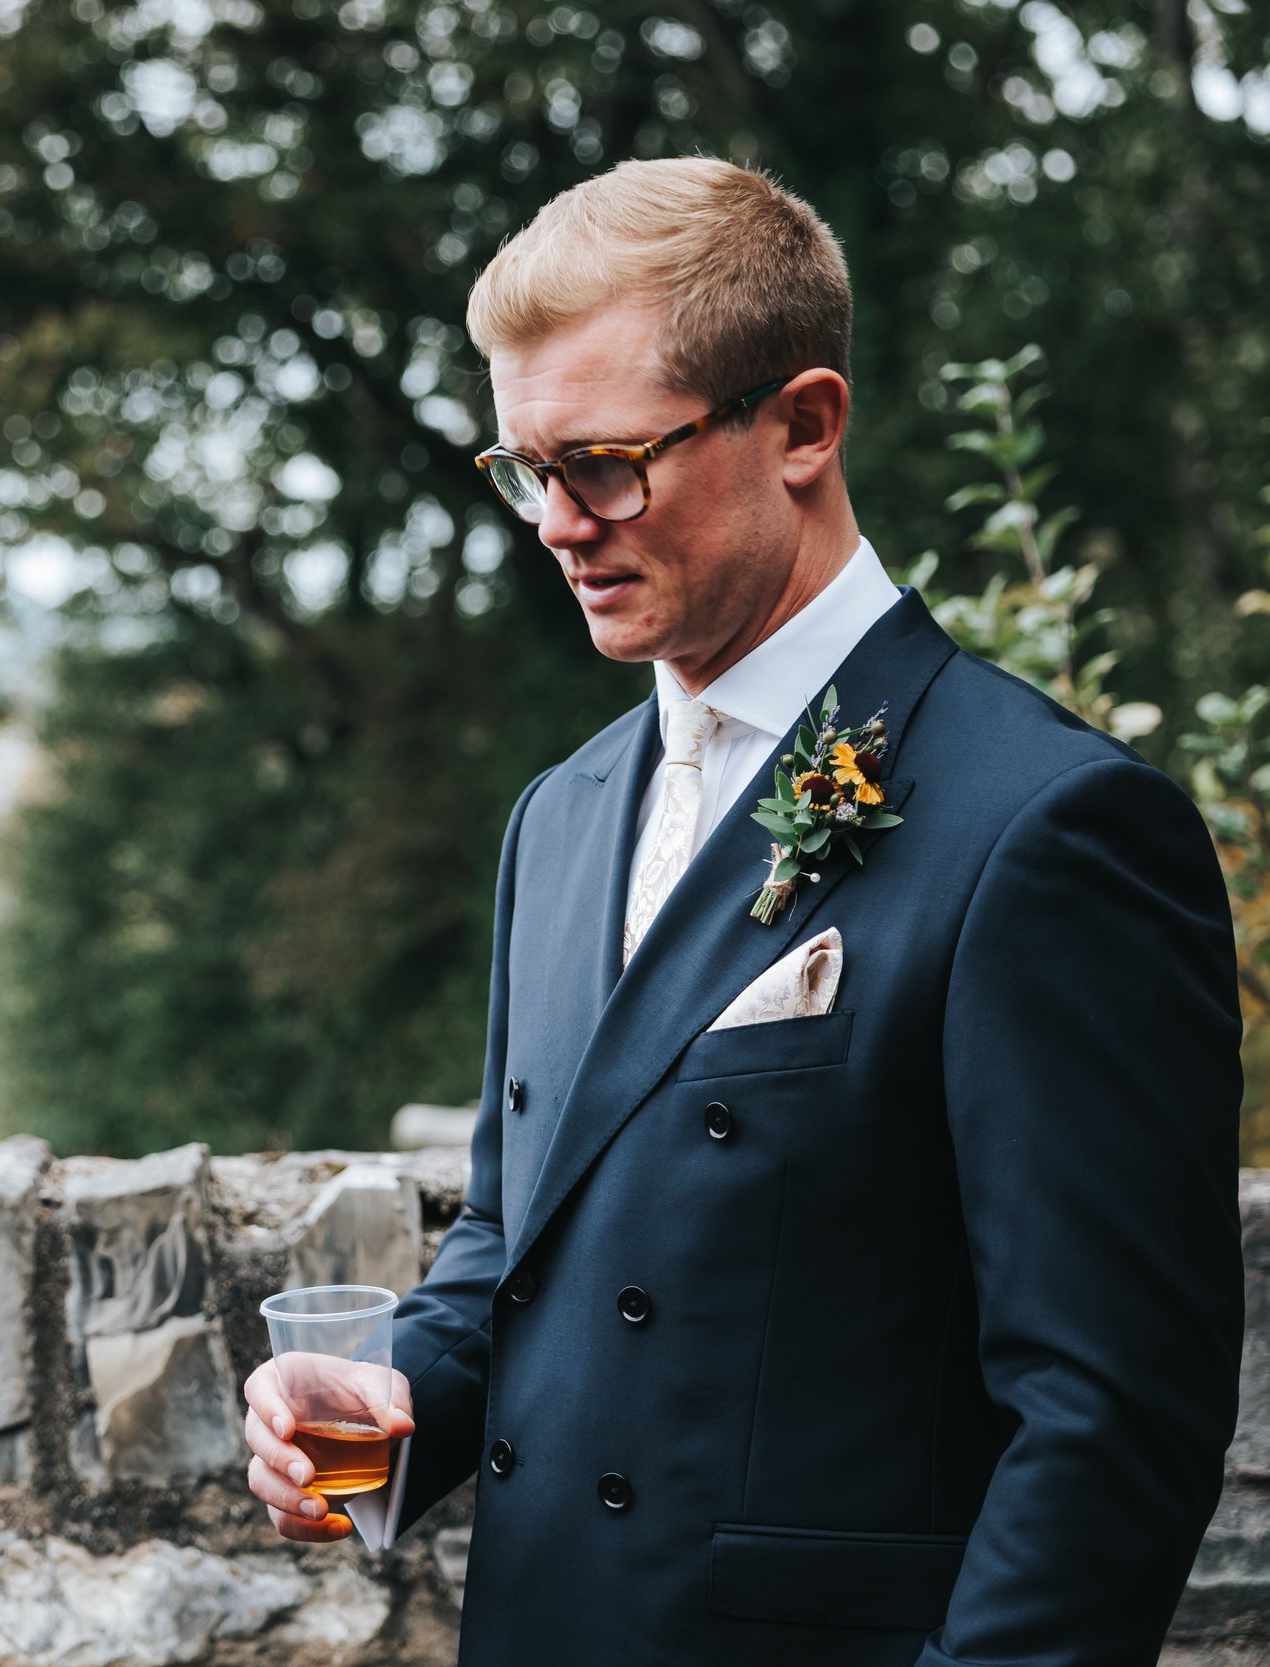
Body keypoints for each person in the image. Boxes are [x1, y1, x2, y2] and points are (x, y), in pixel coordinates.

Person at [241, 158, 1241, 1665]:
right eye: (525, 471)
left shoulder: (1052, 829)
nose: (560, 525)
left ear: (803, 426)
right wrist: (397, 1402)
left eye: (608, 462)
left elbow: (1111, 1419)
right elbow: (525, 1232)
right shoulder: (560, 817)